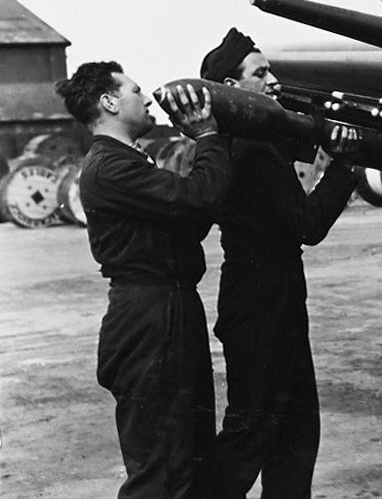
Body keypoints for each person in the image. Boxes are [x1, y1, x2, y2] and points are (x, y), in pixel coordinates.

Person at [55, 62, 230, 499]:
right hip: (151, 318)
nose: (147, 97)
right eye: (134, 90)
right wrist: (208, 137)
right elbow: (197, 198)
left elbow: (190, 220)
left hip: (164, 309)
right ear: (110, 102)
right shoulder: (111, 167)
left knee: (189, 456)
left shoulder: (128, 161)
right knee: (162, 469)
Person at [199, 28, 360, 499]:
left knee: (294, 434)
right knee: (255, 433)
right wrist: (345, 166)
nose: (274, 81)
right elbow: (306, 225)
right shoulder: (252, 151)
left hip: (268, 304)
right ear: (232, 87)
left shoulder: (243, 142)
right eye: (261, 73)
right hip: (262, 309)